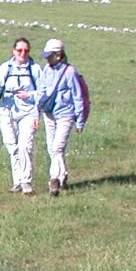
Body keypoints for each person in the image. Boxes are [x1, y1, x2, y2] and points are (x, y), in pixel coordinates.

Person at [0, 37, 41, 195]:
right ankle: (17, 181)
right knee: (12, 147)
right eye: (19, 50)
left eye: (26, 51)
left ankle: (26, 182)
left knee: (25, 147)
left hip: (28, 112)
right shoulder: (5, 68)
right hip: (7, 111)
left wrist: (29, 95)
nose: (22, 53)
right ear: (13, 51)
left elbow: (44, 93)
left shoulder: (35, 69)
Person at [36, 39, 90, 196]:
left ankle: (54, 181)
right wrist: (37, 109)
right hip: (49, 113)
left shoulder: (70, 72)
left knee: (57, 148)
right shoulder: (46, 69)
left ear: (58, 55)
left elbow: (78, 97)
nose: (47, 58)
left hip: (65, 114)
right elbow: (41, 90)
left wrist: (80, 121)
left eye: (50, 55)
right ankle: (63, 176)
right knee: (52, 148)